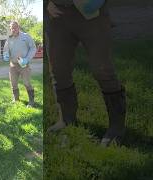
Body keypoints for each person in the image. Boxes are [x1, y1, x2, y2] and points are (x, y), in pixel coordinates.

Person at [46, 0, 126, 146]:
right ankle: (66, 119)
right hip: (57, 14)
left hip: (92, 12)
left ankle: (116, 128)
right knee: (58, 69)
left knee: (102, 69)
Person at [3, 21, 37, 107]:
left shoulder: (26, 36)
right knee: (13, 83)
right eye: (11, 28)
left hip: (24, 64)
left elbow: (33, 48)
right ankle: (16, 99)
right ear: (10, 29)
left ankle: (31, 101)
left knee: (26, 83)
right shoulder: (9, 39)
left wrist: (27, 59)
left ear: (18, 27)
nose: (13, 29)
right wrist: (5, 54)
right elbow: (5, 50)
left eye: (15, 27)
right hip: (13, 65)